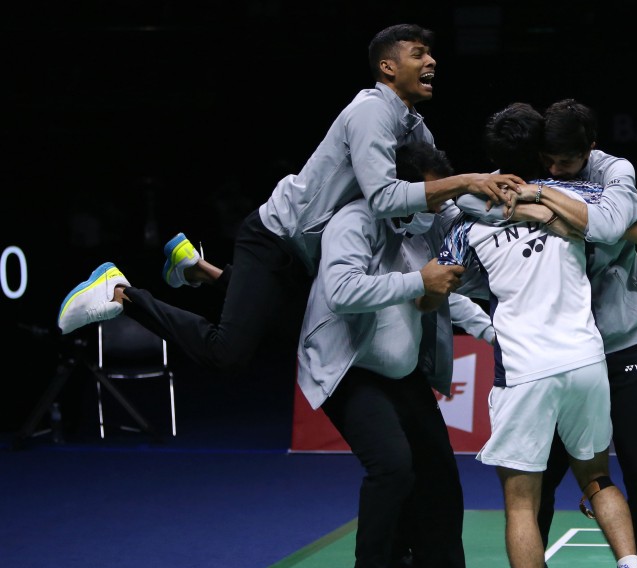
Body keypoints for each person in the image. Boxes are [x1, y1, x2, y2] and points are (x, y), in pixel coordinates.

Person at [55, 23, 523, 376]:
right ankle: (122, 292)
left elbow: (438, 200)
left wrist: (510, 205)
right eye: (418, 53)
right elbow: (385, 198)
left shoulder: (415, 126)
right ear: (387, 67)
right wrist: (466, 181)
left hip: (314, 248)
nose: (431, 61)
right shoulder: (370, 113)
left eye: (431, 54)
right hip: (278, 235)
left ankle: (198, 269)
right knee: (229, 352)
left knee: (295, 321)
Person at [443, 103, 637, 568]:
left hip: (526, 366)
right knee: (597, 476)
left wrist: (483, 325)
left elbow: (440, 286)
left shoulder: (470, 214)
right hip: (587, 358)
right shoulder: (571, 204)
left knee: (522, 501)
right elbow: (635, 234)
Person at [296, 141, 491, 568]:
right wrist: (415, 281)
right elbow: (340, 291)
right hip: (350, 370)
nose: (434, 209)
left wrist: (497, 335)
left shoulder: (418, 233)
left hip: (401, 373)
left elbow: (444, 293)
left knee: (441, 475)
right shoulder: (353, 223)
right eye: (427, 197)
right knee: (391, 466)